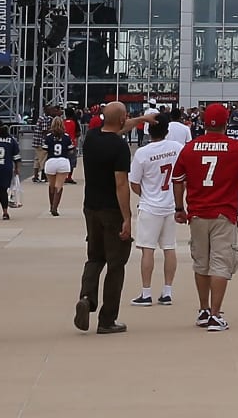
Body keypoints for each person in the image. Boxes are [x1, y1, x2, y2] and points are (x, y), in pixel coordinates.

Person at [171, 103, 238, 332]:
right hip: (224, 212)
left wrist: (179, 208)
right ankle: (215, 313)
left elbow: (178, 178)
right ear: (225, 122)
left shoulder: (190, 148)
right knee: (221, 262)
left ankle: (203, 309)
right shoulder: (235, 148)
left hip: (198, 212)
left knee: (201, 262)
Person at [74, 101, 135, 335]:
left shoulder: (91, 138)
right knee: (116, 264)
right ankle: (107, 319)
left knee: (94, 257)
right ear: (121, 120)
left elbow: (118, 124)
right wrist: (127, 217)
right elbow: (121, 184)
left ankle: (87, 297)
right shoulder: (119, 147)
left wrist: (140, 121)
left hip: (91, 206)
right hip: (111, 210)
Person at [128, 114, 180, 307]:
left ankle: (146, 292)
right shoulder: (177, 148)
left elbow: (134, 182)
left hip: (150, 205)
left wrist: (145, 195)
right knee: (169, 247)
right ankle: (167, 291)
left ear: (149, 131)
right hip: (171, 203)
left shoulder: (143, 153)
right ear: (167, 131)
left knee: (147, 249)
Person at [43, 117, 73, 216]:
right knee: (59, 186)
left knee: (51, 185)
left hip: (51, 161)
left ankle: (51, 206)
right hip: (63, 161)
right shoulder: (66, 137)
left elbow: (45, 149)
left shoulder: (48, 137)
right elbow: (71, 150)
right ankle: (55, 208)